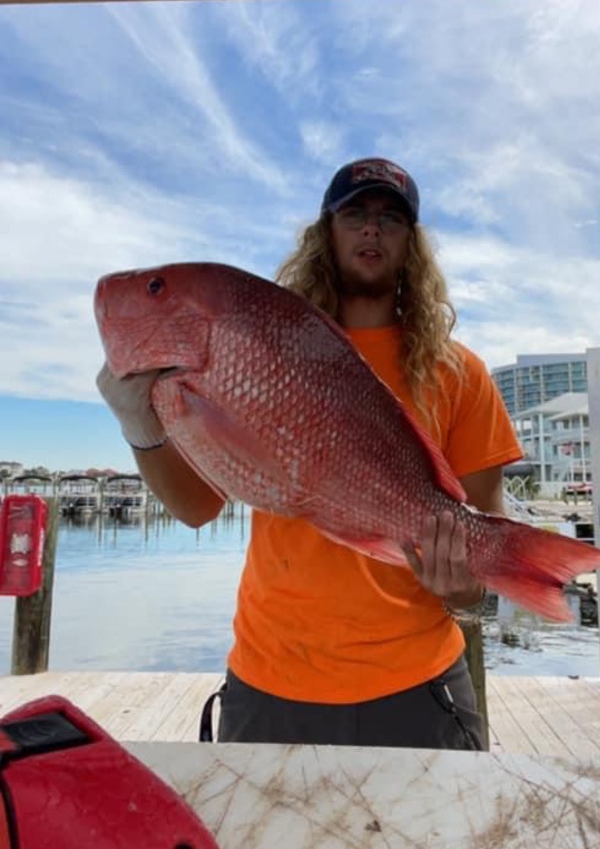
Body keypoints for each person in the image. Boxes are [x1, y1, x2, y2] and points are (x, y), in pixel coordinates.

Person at [97, 156, 523, 751]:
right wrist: (139, 423)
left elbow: (483, 553)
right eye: (355, 214)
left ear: (413, 244)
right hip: (270, 680)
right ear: (327, 232)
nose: (371, 229)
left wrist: (459, 586)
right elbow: (198, 509)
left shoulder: (461, 373)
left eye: (391, 218)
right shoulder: (260, 350)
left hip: (418, 682)